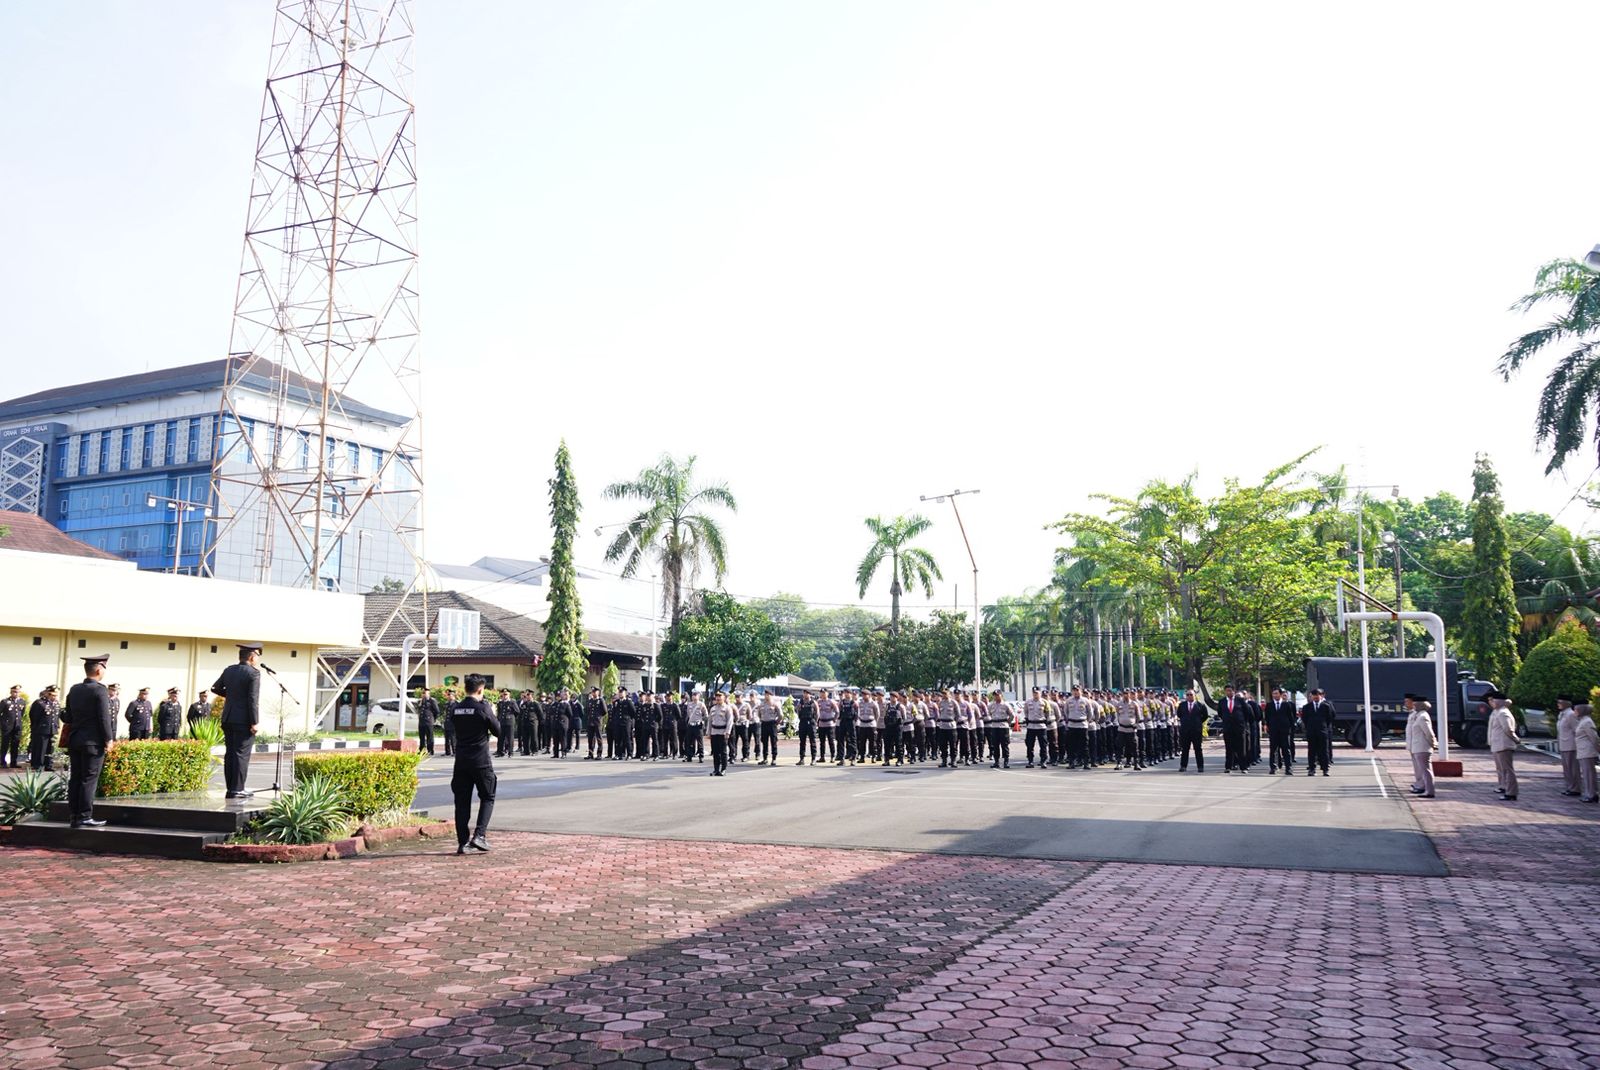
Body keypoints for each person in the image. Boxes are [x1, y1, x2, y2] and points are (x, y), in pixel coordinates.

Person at [448, 673, 500, 853]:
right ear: (480, 690)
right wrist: (492, 712)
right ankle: (479, 836)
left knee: (461, 803)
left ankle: (462, 843)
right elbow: (498, 731)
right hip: (480, 761)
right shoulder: (483, 708)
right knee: (488, 796)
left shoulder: (456, 708)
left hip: (461, 761)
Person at [61, 656, 115, 828]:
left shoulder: (75, 689)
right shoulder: (100, 690)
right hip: (93, 742)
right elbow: (104, 718)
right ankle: (84, 816)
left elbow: (68, 716)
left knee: (76, 779)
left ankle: (74, 816)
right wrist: (108, 739)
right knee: (89, 779)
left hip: (75, 740)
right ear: (99, 670)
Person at [212, 642, 264, 799]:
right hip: (243, 720)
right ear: (251, 657)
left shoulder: (229, 670)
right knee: (241, 755)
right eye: (257, 656)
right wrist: (254, 722)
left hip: (228, 717)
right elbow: (253, 699)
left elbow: (215, 688)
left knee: (230, 754)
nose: (257, 659)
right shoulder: (253, 673)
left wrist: (232, 695)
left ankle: (231, 789)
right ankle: (238, 789)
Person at [1486, 689, 1519, 801]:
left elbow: (1508, 729)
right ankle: (1507, 789)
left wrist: (1516, 739)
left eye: (1493, 700)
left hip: (1504, 745)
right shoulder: (1498, 712)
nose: (1491, 702)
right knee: (1504, 770)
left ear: (1499, 701)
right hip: (1498, 745)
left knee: (1508, 770)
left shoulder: (1503, 713)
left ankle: (1511, 792)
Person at [1405, 694, 1436, 798]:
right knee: (1423, 770)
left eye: (1415, 704)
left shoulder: (1423, 717)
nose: (1413, 706)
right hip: (1418, 747)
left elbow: (1429, 733)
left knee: (1426, 771)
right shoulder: (1418, 715)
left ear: (1419, 705)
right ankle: (1426, 789)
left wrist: (1433, 744)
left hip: (1422, 747)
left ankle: (1429, 791)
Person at [1301, 687, 1334, 776]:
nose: (1316, 697)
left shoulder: (1326, 706)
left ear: (1321, 696)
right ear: (1311, 696)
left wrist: (1324, 727)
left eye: (1318, 695)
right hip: (1311, 732)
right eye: (1314, 695)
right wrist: (1309, 727)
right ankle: (1312, 769)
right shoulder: (1306, 707)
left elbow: (1330, 718)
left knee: (1324, 751)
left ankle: (1325, 769)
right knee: (1312, 751)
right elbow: (1304, 719)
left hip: (1322, 731)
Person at [28, 684, 61, 771]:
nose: (54, 697)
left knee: (50, 748)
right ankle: (39, 764)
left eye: (55, 695)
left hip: (52, 729)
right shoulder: (39, 703)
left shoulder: (56, 703)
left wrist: (56, 727)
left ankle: (48, 764)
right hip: (42, 729)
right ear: (46, 693)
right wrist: (36, 728)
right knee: (41, 748)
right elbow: (34, 716)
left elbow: (57, 716)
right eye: (51, 695)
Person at [1265, 687, 1297, 774]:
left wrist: (1290, 729)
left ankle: (1288, 768)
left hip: (1284, 731)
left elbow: (1291, 718)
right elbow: (1267, 718)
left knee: (1286, 750)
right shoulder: (1269, 705)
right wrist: (1267, 726)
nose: (1274, 695)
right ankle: (1273, 767)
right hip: (1273, 730)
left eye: (1276, 693)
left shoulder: (1286, 705)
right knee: (1273, 749)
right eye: (1273, 694)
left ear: (1280, 694)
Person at [1555, 695, 1581, 796]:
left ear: (1566, 703)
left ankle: (1575, 788)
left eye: (1560, 702)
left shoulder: (1571, 714)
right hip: (1563, 745)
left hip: (1571, 745)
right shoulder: (1562, 715)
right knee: (1567, 769)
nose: (1558, 704)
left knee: (1573, 768)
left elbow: (1576, 730)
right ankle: (1570, 787)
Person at [1176, 689, 1206, 772]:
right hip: (1185, 730)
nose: (1189, 696)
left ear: (1194, 695)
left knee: (1198, 749)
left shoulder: (1200, 705)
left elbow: (1205, 716)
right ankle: (1183, 766)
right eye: (1188, 695)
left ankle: (1200, 767)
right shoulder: (1182, 705)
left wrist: (1198, 722)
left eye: (1191, 695)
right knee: (1185, 749)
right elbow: (1179, 714)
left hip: (1196, 730)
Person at [1574, 703, 1598, 803]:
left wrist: (1598, 748)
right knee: (1586, 774)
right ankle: (1589, 793)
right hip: (1583, 751)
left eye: (1576, 710)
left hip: (1588, 751)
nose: (1574, 712)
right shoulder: (1583, 721)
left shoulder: (1587, 722)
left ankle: (1592, 794)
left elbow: (1594, 737)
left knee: (1589, 774)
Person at [984, 691, 1012, 769]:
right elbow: (988, 714)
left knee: (1004, 745)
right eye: (995, 695)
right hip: (994, 726)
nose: (996, 697)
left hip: (1003, 726)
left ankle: (1006, 761)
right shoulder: (991, 705)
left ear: (1001, 695)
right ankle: (996, 761)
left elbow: (1011, 715)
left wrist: (1008, 722)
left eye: (997, 695)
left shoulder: (1005, 705)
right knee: (995, 745)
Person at [707, 692, 733, 776]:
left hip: (723, 732)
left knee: (723, 752)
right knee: (715, 752)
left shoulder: (727, 708)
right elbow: (710, 721)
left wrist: (727, 732)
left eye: (720, 696)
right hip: (714, 732)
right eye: (717, 697)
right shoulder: (713, 708)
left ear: (724, 698)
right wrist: (708, 732)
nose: (718, 698)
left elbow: (730, 721)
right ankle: (716, 769)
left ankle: (723, 769)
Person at [0, 685, 24, 768]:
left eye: (18, 692)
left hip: (17, 727)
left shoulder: (22, 701)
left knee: (15, 744)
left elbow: (22, 713)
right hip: (7, 727)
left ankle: (13, 762)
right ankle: (2, 761)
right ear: (11, 692)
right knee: (5, 744)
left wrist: (19, 723)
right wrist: (3, 723)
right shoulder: (5, 701)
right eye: (14, 692)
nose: (16, 693)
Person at [757, 692, 782, 765]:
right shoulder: (762, 704)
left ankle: (774, 759)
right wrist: (762, 719)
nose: (766, 696)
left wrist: (776, 722)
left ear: (771, 696)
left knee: (773, 741)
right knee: (764, 741)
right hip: (764, 723)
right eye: (765, 695)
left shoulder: (775, 704)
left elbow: (780, 715)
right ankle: (765, 758)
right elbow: (759, 714)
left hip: (772, 724)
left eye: (768, 695)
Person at [795, 690, 819, 765]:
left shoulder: (813, 702)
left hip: (811, 722)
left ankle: (813, 759)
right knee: (802, 741)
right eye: (804, 693)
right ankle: (802, 759)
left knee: (812, 741)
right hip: (803, 722)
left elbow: (817, 713)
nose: (805, 695)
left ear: (810, 694)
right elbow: (797, 710)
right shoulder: (801, 702)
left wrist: (815, 722)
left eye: (807, 693)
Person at [418, 688, 441, 756]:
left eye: (425, 693)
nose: (423, 694)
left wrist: (433, 719)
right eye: (423, 693)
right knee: (421, 737)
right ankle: (422, 750)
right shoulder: (421, 701)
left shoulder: (432, 701)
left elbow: (437, 711)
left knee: (429, 737)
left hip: (429, 721)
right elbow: (419, 710)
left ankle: (430, 750)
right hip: (421, 722)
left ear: (428, 694)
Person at [441, 687, 458, 756]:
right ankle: (447, 752)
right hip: (447, 723)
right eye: (448, 695)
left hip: (453, 723)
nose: (448, 696)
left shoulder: (456, 704)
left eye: (449, 695)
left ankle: (455, 751)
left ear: (453, 696)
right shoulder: (447, 704)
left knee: (453, 738)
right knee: (446, 738)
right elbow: (445, 713)